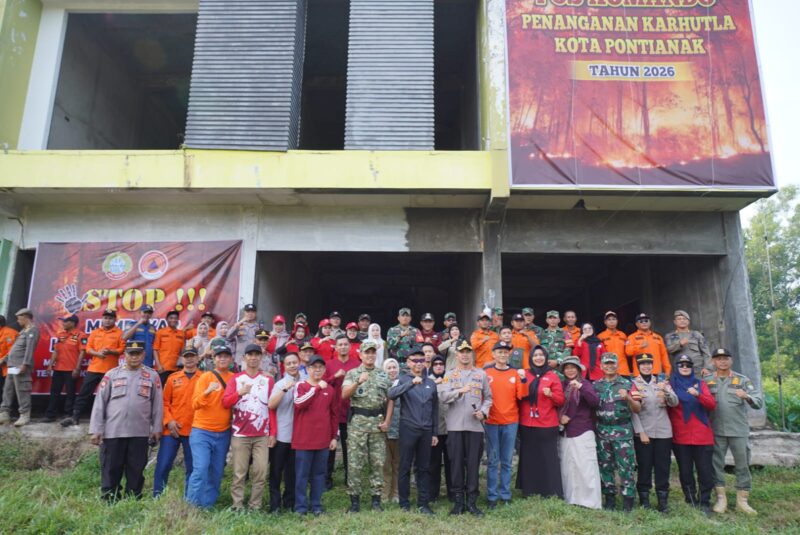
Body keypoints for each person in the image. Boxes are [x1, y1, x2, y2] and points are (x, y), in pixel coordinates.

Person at [89, 340, 162, 500]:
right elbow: (100, 403)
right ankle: (109, 498)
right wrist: (96, 429)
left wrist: (157, 428)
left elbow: (157, 404)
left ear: (143, 355)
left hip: (140, 432)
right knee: (111, 468)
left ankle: (133, 498)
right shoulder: (111, 374)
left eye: (138, 354)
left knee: (136, 469)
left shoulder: (152, 375)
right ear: (125, 355)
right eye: (131, 354)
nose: (134, 357)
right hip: (113, 432)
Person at [706, 347, 763, 515]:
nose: (722, 361)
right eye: (718, 358)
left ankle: (742, 500)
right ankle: (721, 498)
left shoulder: (743, 380)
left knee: (742, 464)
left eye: (725, 358)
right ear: (713, 362)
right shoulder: (707, 380)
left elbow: (758, 402)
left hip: (738, 429)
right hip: (716, 429)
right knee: (716, 464)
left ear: (731, 361)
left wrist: (746, 396)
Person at [439, 341, 492, 516]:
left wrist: (483, 412)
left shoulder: (481, 374)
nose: (465, 355)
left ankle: (472, 502)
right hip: (454, 426)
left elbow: (488, 398)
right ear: (457, 355)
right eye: (462, 352)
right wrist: (460, 391)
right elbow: (444, 396)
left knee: (473, 464)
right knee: (455, 465)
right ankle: (458, 502)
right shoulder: (449, 374)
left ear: (472, 355)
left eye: (468, 352)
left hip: (474, 426)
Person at [222, 344, 277, 511]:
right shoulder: (236, 379)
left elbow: (272, 407)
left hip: (262, 434)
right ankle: (237, 505)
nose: (253, 358)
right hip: (240, 433)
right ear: (244, 358)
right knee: (239, 473)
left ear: (261, 358)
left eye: (256, 355)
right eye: (250, 355)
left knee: (260, 473)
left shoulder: (268, 380)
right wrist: (239, 393)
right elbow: (225, 403)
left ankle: (255, 506)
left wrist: (273, 432)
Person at [343, 341, 392, 512]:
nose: (370, 355)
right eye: (367, 352)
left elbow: (390, 398)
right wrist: (358, 382)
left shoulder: (383, 375)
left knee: (377, 463)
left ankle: (376, 500)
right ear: (360, 354)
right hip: (357, 424)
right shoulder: (352, 373)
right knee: (355, 463)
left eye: (373, 352)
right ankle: (354, 501)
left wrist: (387, 421)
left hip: (377, 424)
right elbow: (344, 395)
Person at [388, 346, 438, 515]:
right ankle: (404, 503)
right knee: (405, 467)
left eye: (421, 360)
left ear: (426, 362)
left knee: (423, 468)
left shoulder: (431, 383)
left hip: (426, 430)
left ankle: (423, 503)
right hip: (408, 428)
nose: (418, 363)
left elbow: (435, 409)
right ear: (408, 363)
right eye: (415, 360)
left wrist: (435, 433)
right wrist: (410, 383)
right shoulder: (403, 379)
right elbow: (391, 394)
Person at [185, 345, 234, 508]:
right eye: (219, 356)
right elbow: (194, 404)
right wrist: (207, 392)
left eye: (226, 356)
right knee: (200, 468)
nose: (222, 359)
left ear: (231, 359)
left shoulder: (234, 378)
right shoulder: (205, 377)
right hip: (202, 431)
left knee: (216, 471)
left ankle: (207, 506)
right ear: (214, 359)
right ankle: (191, 506)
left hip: (223, 433)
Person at [669, 354, 717, 516]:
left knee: (704, 471)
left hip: (702, 435)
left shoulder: (700, 384)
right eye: (681, 365)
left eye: (687, 365)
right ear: (676, 367)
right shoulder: (670, 385)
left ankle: (704, 501)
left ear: (692, 368)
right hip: (680, 434)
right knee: (685, 470)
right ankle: (690, 499)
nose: (684, 367)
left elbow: (711, 405)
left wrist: (698, 395)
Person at [594, 352, 642, 512]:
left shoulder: (628, 384)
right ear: (601, 366)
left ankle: (628, 501)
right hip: (602, 431)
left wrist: (628, 397)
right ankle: (610, 500)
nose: (609, 366)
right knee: (605, 466)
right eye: (606, 363)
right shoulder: (596, 385)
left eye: (612, 363)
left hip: (622, 431)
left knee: (625, 466)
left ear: (617, 365)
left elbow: (638, 408)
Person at [517, 345, 565, 499]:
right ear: (531, 358)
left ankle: (550, 490)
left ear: (546, 357)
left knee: (548, 457)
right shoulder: (524, 374)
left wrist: (551, 394)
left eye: (541, 355)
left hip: (547, 423)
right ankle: (529, 489)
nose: (538, 358)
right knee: (529, 456)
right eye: (535, 355)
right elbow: (517, 394)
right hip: (527, 422)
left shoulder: (552, 376)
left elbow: (560, 400)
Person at [631, 353, 678, 511]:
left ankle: (662, 500)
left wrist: (666, 391)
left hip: (664, 431)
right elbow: (633, 411)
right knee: (644, 466)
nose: (646, 366)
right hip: (645, 431)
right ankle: (644, 500)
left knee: (663, 466)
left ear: (653, 365)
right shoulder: (634, 384)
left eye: (649, 363)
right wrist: (640, 431)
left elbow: (674, 402)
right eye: (643, 364)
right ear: (638, 366)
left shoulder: (662, 381)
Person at [61, 309, 124, 427]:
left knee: (111, 395)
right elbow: (88, 349)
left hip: (111, 370)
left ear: (115, 320)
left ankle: (110, 420)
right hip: (94, 369)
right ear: (102, 319)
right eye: (105, 318)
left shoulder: (119, 333)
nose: (107, 320)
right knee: (84, 393)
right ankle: (75, 417)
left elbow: (122, 350)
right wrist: (97, 354)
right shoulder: (95, 332)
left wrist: (111, 351)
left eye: (110, 318)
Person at [153, 347, 203, 497]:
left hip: (194, 430)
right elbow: (164, 402)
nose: (189, 359)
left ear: (198, 358)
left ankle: (190, 498)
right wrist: (169, 421)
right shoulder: (173, 378)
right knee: (163, 464)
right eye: (186, 356)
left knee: (192, 467)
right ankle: (157, 496)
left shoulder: (205, 378)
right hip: (172, 430)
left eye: (192, 356)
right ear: (182, 358)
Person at [293, 355, 338, 516]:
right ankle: (300, 507)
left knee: (319, 475)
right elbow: (299, 404)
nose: (317, 370)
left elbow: (334, 414)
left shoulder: (330, 390)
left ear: (324, 370)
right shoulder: (301, 386)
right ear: (308, 369)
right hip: (303, 439)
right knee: (301, 475)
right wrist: (317, 388)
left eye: (320, 367)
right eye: (314, 367)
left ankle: (316, 505)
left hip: (323, 440)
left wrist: (334, 437)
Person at [484, 341, 526, 508]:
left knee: (507, 461)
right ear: (493, 355)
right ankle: (492, 496)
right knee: (493, 461)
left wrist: (523, 379)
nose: (502, 355)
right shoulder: (486, 373)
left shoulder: (515, 373)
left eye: (505, 352)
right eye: (499, 352)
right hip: (491, 421)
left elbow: (521, 395)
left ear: (509, 355)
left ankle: (505, 494)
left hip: (510, 421)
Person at [558, 356, 601, 509]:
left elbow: (595, 402)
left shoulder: (585, 384)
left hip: (582, 430)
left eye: (573, 367)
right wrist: (560, 417)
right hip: (566, 432)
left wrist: (581, 388)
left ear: (578, 369)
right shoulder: (562, 385)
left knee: (586, 467)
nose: (570, 370)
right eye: (567, 367)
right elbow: (557, 404)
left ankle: (589, 502)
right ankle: (572, 498)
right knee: (569, 467)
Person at [324, 335, 360, 489]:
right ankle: (327, 479)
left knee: (349, 448)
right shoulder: (329, 364)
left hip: (350, 412)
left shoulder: (357, 364)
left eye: (346, 344)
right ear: (336, 347)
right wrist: (334, 376)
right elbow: (322, 384)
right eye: (340, 345)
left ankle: (349, 478)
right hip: (332, 413)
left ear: (350, 347)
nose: (343, 347)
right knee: (330, 447)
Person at [268, 351, 302, 513]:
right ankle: (275, 505)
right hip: (282, 435)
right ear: (284, 366)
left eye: (294, 362)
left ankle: (290, 502)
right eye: (288, 363)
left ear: (299, 363)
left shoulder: (306, 382)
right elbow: (271, 405)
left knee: (292, 472)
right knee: (276, 471)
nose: (292, 366)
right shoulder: (280, 384)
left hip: (299, 436)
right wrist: (284, 390)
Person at [0, 308, 40, 427]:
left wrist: (25, 364)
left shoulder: (33, 330)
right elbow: (14, 349)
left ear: (25, 317)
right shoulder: (23, 331)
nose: (18, 321)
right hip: (11, 365)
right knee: (8, 389)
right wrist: (4, 360)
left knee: (22, 390)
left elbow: (29, 349)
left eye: (19, 318)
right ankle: (4, 413)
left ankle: (24, 414)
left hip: (21, 366)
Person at [45, 314, 84, 422]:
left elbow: (82, 353)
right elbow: (56, 351)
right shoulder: (60, 334)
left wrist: (77, 368)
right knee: (54, 392)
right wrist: (50, 365)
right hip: (58, 368)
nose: (63, 323)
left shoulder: (81, 335)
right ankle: (50, 415)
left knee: (70, 393)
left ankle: (68, 415)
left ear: (72, 323)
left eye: (65, 321)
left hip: (71, 369)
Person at [428, 354, 452, 503]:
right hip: (435, 430)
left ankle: (452, 493)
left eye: (441, 364)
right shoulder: (427, 381)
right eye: (435, 364)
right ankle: (433, 494)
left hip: (450, 429)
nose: (438, 366)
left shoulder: (450, 380)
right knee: (433, 464)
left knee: (452, 462)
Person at [665, 310, 712, 378]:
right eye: (679, 319)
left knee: (699, 387)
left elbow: (706, 353)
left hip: (697, 370)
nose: (682, 321)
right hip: (680, 370)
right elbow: (668, 350)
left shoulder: (697, 334)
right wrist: (679, 344)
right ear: (675, 322)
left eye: (684, 319)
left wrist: (707, 368)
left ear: (688, 321)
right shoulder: (670, 336)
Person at [381, 358, 401, 503]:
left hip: (400, 429)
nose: (392, 370)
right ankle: (384, 494)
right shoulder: (381, 385)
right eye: (389, 368)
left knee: (398, 464)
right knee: (385, 464)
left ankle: (396, 493)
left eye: (394, 367)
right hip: (383, 430)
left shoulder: (403, 385)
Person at [154, 310, 187, 385]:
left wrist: (182, 366)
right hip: (162, 368)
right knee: (160, 391)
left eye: (175, 318)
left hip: (176, 369)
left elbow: (182, 352)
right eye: (171, 318)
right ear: (167, 319)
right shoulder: (160, 332)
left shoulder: (181, 334)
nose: (173, 320)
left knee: (175, 391)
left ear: (178, 320)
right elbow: (155, 349)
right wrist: (158, 365)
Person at [597, 311, 631, 376]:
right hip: (608, 370)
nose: (611, 321)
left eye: (613, 319)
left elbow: (628, 352)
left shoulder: (623, 335)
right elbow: (598, 355)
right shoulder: (600, 336)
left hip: (623, 370)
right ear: (605, 322)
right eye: (609, 319)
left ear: (617, 321)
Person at [0, 315, 19, 396]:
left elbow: (13, 352)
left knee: (6, 390)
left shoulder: (9, 333)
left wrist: (2, 360)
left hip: (7, 366)